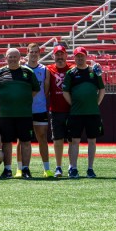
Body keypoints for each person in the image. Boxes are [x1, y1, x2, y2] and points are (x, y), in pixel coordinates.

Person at [0, 47, 40, 179]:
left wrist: (23, 99)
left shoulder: (28, 72)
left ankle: (25, 169)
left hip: (24, 114)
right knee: (6, 142)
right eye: (9, 57)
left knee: (26, 142)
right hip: (6, 114)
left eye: (14, 57)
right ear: (5, 58)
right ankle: (7, 170)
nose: (12, 59)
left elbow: (35, 89)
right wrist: (3, 98)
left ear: (19, 58)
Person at [63, 46, 105, 179]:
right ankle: (73, 168)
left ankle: (90, 168)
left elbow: (102, 90)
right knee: (74, 141)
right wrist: (74, 104)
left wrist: (96, 103)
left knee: (92, 140)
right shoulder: (71, 73)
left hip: (92, 113)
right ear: (74, 58)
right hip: (76, 113)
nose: (80, 58)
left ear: (86, 56)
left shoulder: (94, 71)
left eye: (82, 55)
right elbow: (65, 92)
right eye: (77, 56)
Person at [19, 43, 52, 177]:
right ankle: (20, 168)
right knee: (22, 140)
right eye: (31, 52)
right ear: (27, 53)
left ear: (39, 54)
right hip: (25, 110)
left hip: (40, 109)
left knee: (42, 138)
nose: (33, 54)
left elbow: (46, 90)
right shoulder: (21, 69)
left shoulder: (45, 70)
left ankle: (46, 168)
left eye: (35, 52)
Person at [47, 44, 74, 177]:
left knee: (72, 140)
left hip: (71, 110)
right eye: (57, 54)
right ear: (53, 56)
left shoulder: (72, 68)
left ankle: (71, 166)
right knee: (57, 140)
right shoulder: (49, 69)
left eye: (61, 54)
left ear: (66, 55)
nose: (59, 57)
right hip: (56, 110)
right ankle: (58, 167)